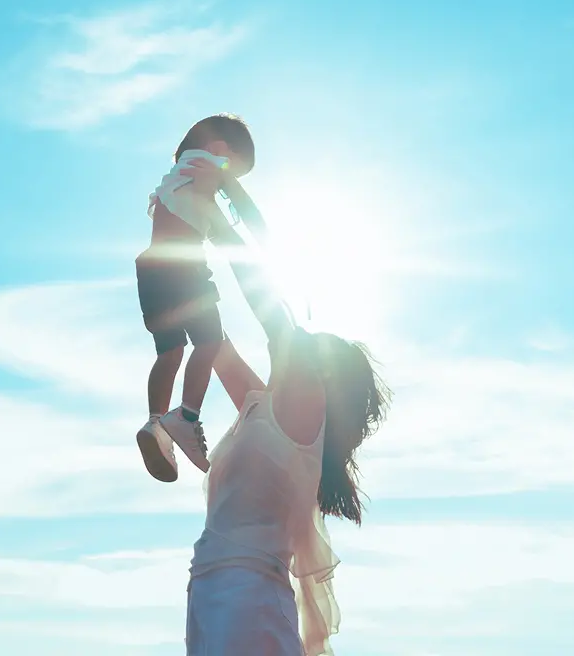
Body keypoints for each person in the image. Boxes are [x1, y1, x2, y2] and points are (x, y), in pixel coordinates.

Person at [181, 158, 389, 656]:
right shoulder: (264, 409)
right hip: (209, 591)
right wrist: (179, 247)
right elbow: (213, 342)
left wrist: (218, 223)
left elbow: (269, 307)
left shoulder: (304, 404)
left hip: (248, 597)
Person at [135, 114, 264, 483]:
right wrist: (266, 238)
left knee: (169, 352)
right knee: (209, 343)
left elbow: (204, 220)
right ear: (220, 150)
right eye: (235, 171)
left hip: (151, 269)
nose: (229, 184)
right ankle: (187, 416)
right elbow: (242, 208)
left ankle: (155, 424)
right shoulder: (209, 165)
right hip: (185, 268)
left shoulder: (174, 177)